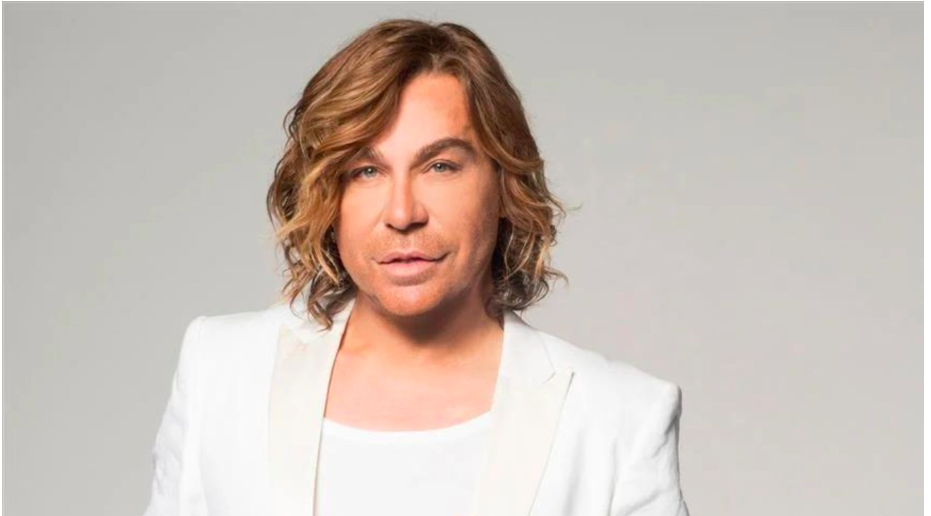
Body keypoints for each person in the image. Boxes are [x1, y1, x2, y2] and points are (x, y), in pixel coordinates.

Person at [142, 18, 689, 516]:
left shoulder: (619, 419)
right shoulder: (222, 370)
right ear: (327, 197)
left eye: (440, 166)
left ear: (505, 185)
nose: (403, 213)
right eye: (365, 171)